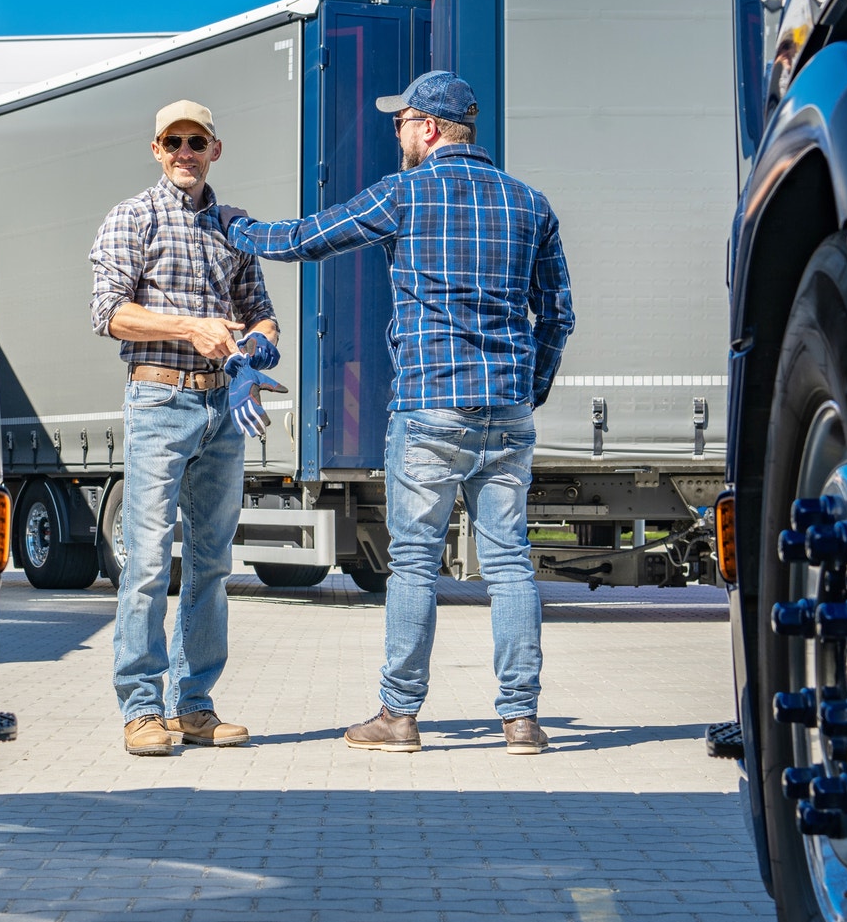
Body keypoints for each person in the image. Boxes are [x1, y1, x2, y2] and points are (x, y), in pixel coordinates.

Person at [214, 71, 574, 755]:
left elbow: (304, 238)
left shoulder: (404, 193)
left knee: (412, 563)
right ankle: (521, 720)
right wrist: (533, 384)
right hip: (507, 410)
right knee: (509, 564)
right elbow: (557, 313)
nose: (396, 133)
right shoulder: (532, 204)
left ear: (431, 128)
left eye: (401, 121)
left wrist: (239, 227)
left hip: (431, 407)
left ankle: (399, 717)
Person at [89, 99, 284, 756]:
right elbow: (110, 313)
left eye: (195, 140)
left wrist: (255, 354)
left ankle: (193, 706)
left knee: (211, 564)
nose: (184, 151)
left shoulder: (234, 228)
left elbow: (262, 314)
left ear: (214, 149)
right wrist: (190, 327)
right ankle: (141, 709)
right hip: (158, 402)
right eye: (171, 140)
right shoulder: (131, 218)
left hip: (223, 407)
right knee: (146, 563)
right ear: (155, 148)